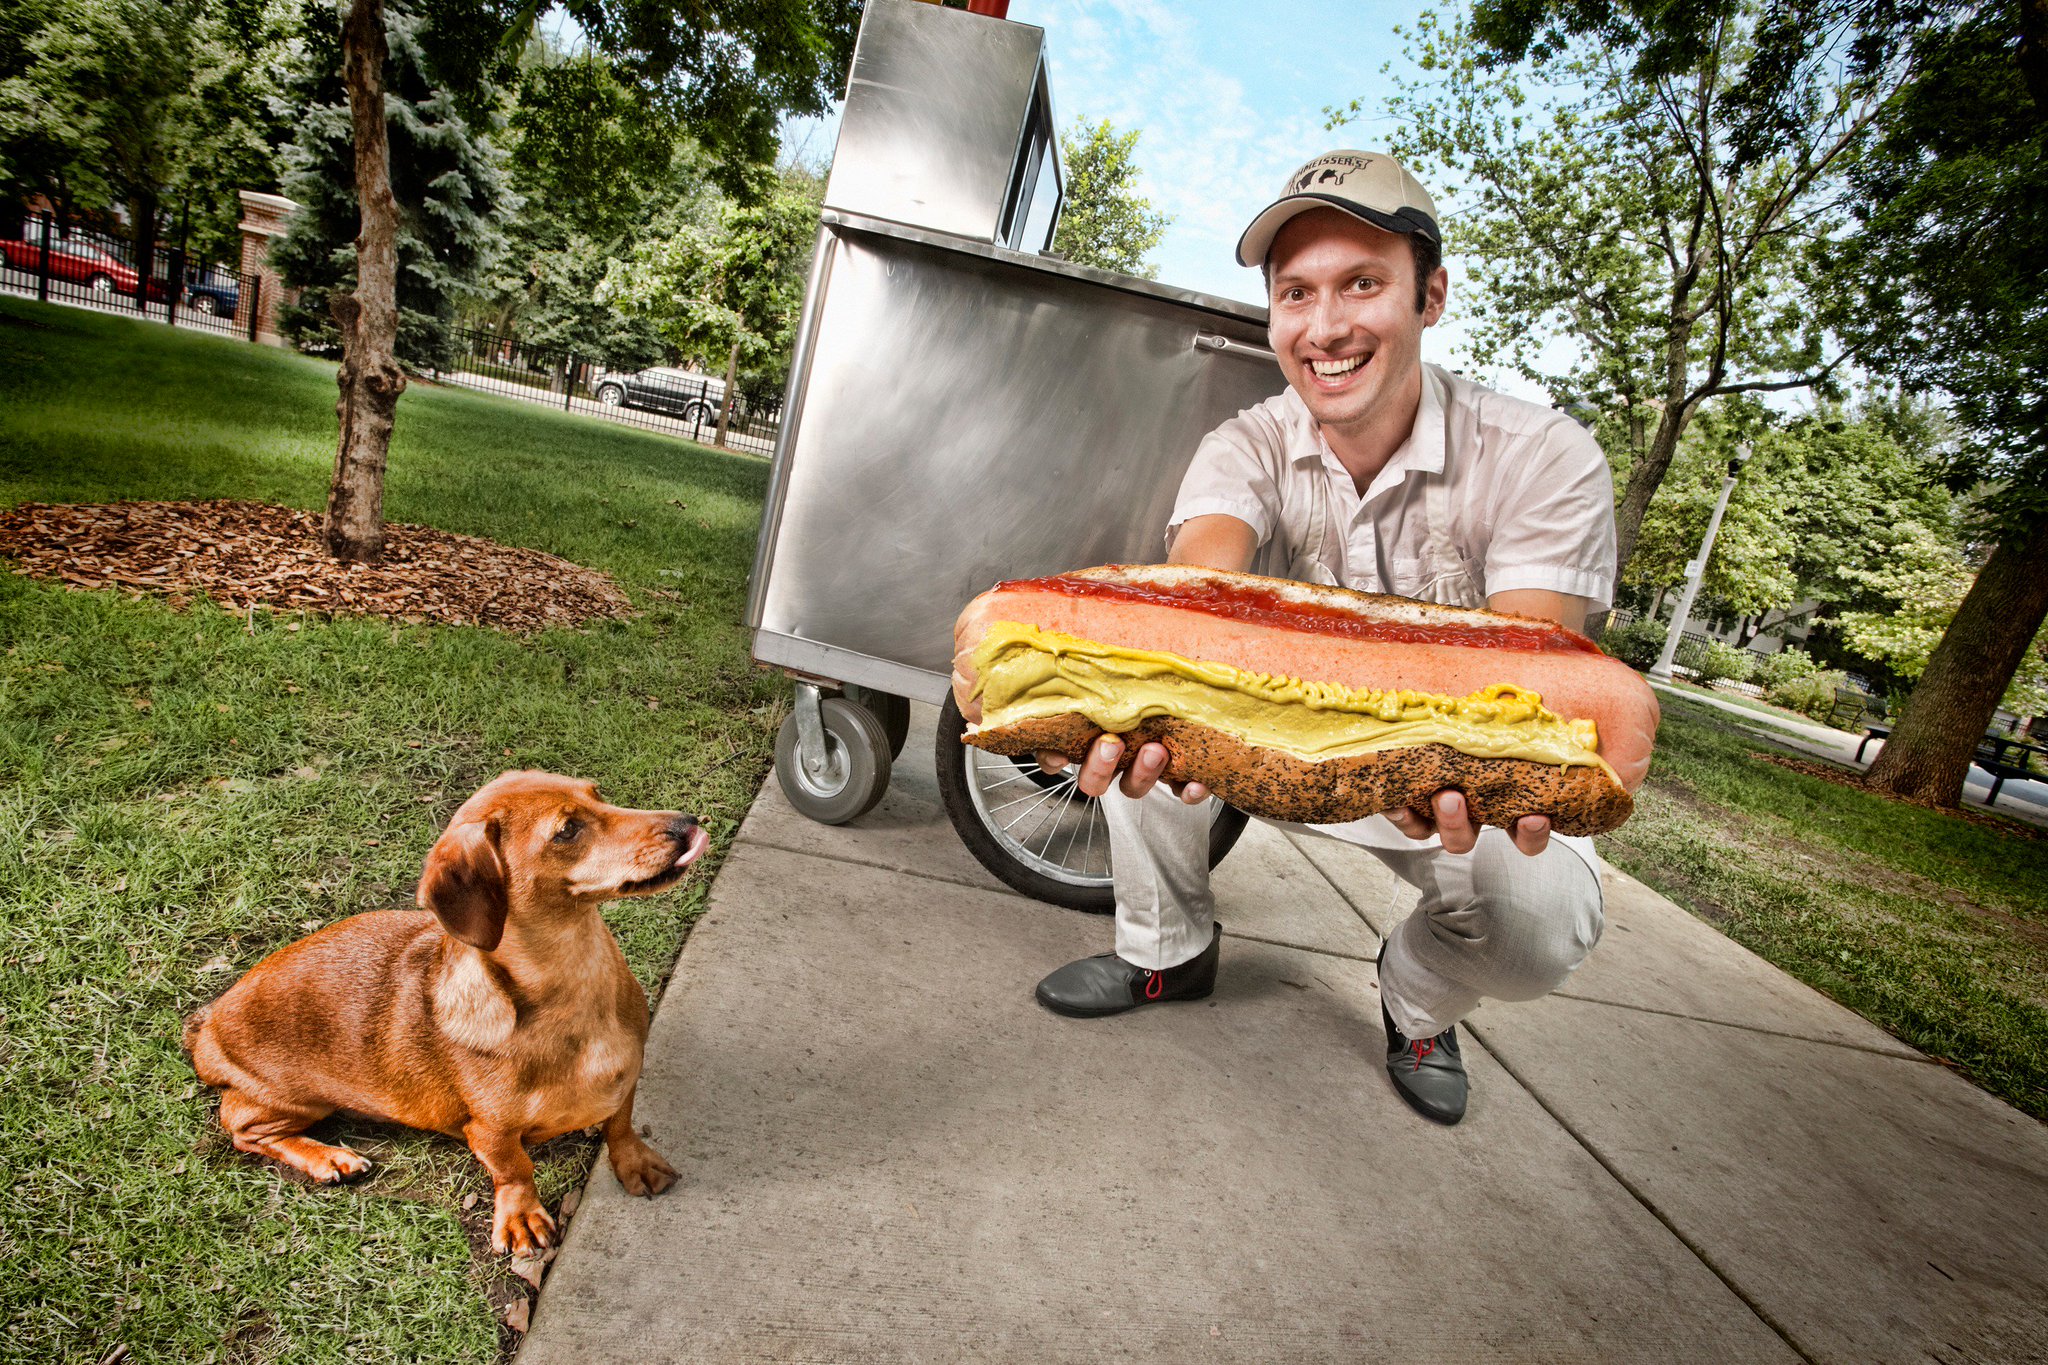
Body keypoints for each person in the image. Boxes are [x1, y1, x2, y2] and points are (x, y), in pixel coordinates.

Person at [1030, 150, 1618, 1127]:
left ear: (1428, 295)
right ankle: (1164, 956)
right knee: (1150, 687)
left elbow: (1520, 688)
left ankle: (1418, 998)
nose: (1325, 325)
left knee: (1538, 925)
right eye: (1294, 292)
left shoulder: (1542, 456)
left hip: (1441, 782)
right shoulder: (1245, 442)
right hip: (1270, 743)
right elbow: (1196, 596)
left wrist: (1379, 729)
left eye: (1360, 284)